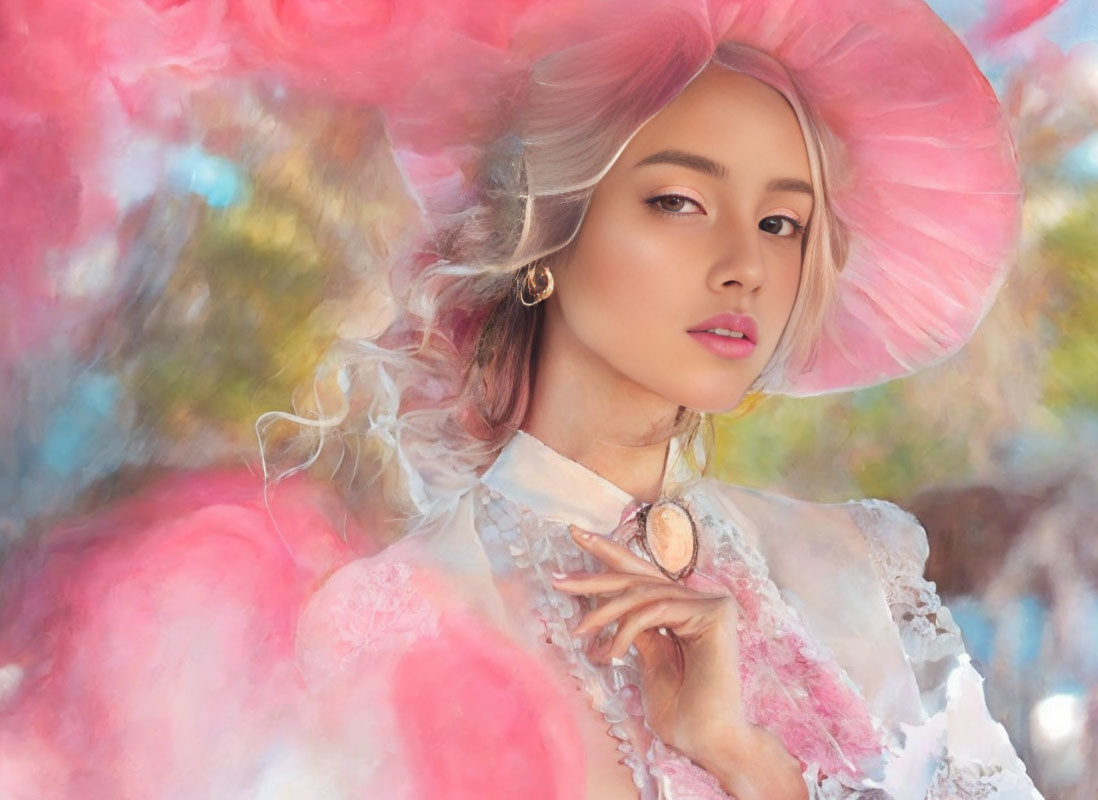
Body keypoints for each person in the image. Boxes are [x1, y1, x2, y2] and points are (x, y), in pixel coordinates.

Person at [0, 1, 1039, 798]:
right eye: (677, 201)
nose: (744, 266)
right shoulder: (405, 614)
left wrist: (740, 753)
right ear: (546, 234)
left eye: (781, 222)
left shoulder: (851, 561)